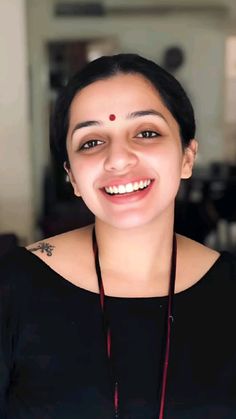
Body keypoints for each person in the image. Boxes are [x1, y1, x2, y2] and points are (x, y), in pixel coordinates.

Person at [0, 53, 236, 419]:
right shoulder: (11, 288)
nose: (119, 159)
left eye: (146, 133)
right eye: (91, 142)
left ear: (187, 157)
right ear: (72, 176)